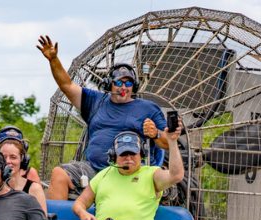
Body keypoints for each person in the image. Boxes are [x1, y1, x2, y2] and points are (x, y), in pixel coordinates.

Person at [37, 35, 174, 200]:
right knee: (59, 174)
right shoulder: (95, 101)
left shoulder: (147, 108)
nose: (124, 87)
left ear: (134, 86)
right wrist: (53, 59)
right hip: (93, 171)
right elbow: (67, 85)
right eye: (119, 82)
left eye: (129, 83)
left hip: (129, 174)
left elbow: (168, 142)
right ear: (110, 84)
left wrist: (156, 134)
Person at [72, 129, 184, 220]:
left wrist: (172, 141)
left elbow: (176, 176)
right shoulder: (104, 175)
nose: (128, 158)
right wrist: (82, 213)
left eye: (133, 154)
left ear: (141, 154)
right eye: (124, 154)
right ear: (114, 156)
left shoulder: (151, 174)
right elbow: (79, 202)